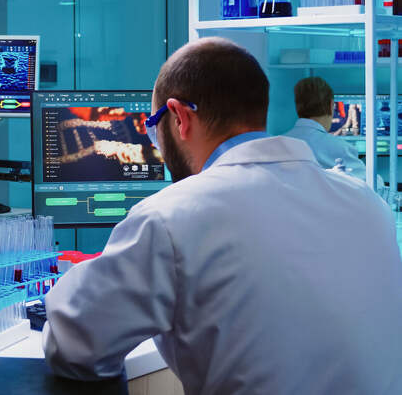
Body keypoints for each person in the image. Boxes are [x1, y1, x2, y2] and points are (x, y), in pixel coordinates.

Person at [42, 37, 402, 393]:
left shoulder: (172, 217)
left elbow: (73, 344)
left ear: (179, 117)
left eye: (154, 127)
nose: (156, 143)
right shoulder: (368, 203)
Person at [285, 76, 366, 180]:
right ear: (331, 105)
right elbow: (370, 183)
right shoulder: (341, 149)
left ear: (297, 106)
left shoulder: (278, 145)